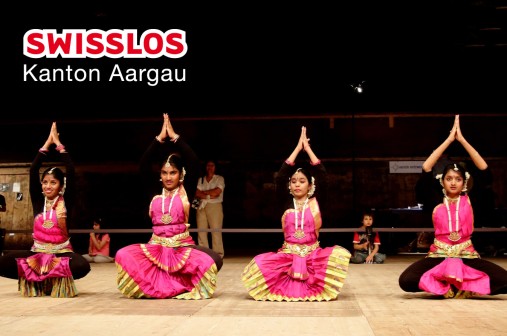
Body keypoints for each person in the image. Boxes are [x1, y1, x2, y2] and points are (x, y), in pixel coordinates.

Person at [115, 114, 223, 299]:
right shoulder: (154, 192)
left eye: (173, 173)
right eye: (164, 173)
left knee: (214, 260)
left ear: (180, 174)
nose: (168, 177)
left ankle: (176, 281)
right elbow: (143, 165)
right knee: (122, 255)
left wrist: (175, 138)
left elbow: (194, 162)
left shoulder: (186, 192)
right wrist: (159, 139)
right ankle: (164, 283)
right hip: (156, 247)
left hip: (181, 246)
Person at [398, 115, 507, 299]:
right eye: (449, 179)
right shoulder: (436, 201)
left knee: (504, 280)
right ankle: (448, 283)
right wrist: (449, 140)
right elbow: (426, 168)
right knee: (406, 280)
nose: (453, 183)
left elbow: (484, 170)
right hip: (439, 256)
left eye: (458, 179)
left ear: (464, 182)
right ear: (443, 181)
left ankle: (462, 285)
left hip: (466, 256)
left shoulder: (469, 200)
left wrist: (462, 140)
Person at [241, 126, 351, 301]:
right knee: (260, 263)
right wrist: (297, 149)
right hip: (288, 255)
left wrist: (308, 150)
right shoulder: (285, 202)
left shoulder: (316, 202)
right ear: (289, 185)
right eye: (293, 182)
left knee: (336, 257)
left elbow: (323, 176)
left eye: (302, 181)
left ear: (310, 185)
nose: (297, 185)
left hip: (312, 255)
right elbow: (279, 177)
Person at [0, 122, 90, 297]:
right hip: (37, 252)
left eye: (53, 182)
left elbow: (70, 171)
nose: (48, 186)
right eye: (45, 182)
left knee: (82, 265)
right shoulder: (38, 200)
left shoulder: (66, 201)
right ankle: (44, 278)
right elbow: (33, 170)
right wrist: (46, 144)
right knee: (3, 262)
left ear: (61, 186)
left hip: (61, 253)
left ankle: (48, 278)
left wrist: (59, 145)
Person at [194, 160, 225, 259]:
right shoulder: (201, 179)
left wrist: (204, 193)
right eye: (208, 165)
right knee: (201, 231)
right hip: (201, 206)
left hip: (215, 206)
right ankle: (204, 255)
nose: (210, 167)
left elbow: (217, 193)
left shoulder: (219, 179)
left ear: (215, 167)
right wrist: (208, 195)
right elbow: (197, 193)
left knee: (215, 230)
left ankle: (218, 254)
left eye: (212, 165)